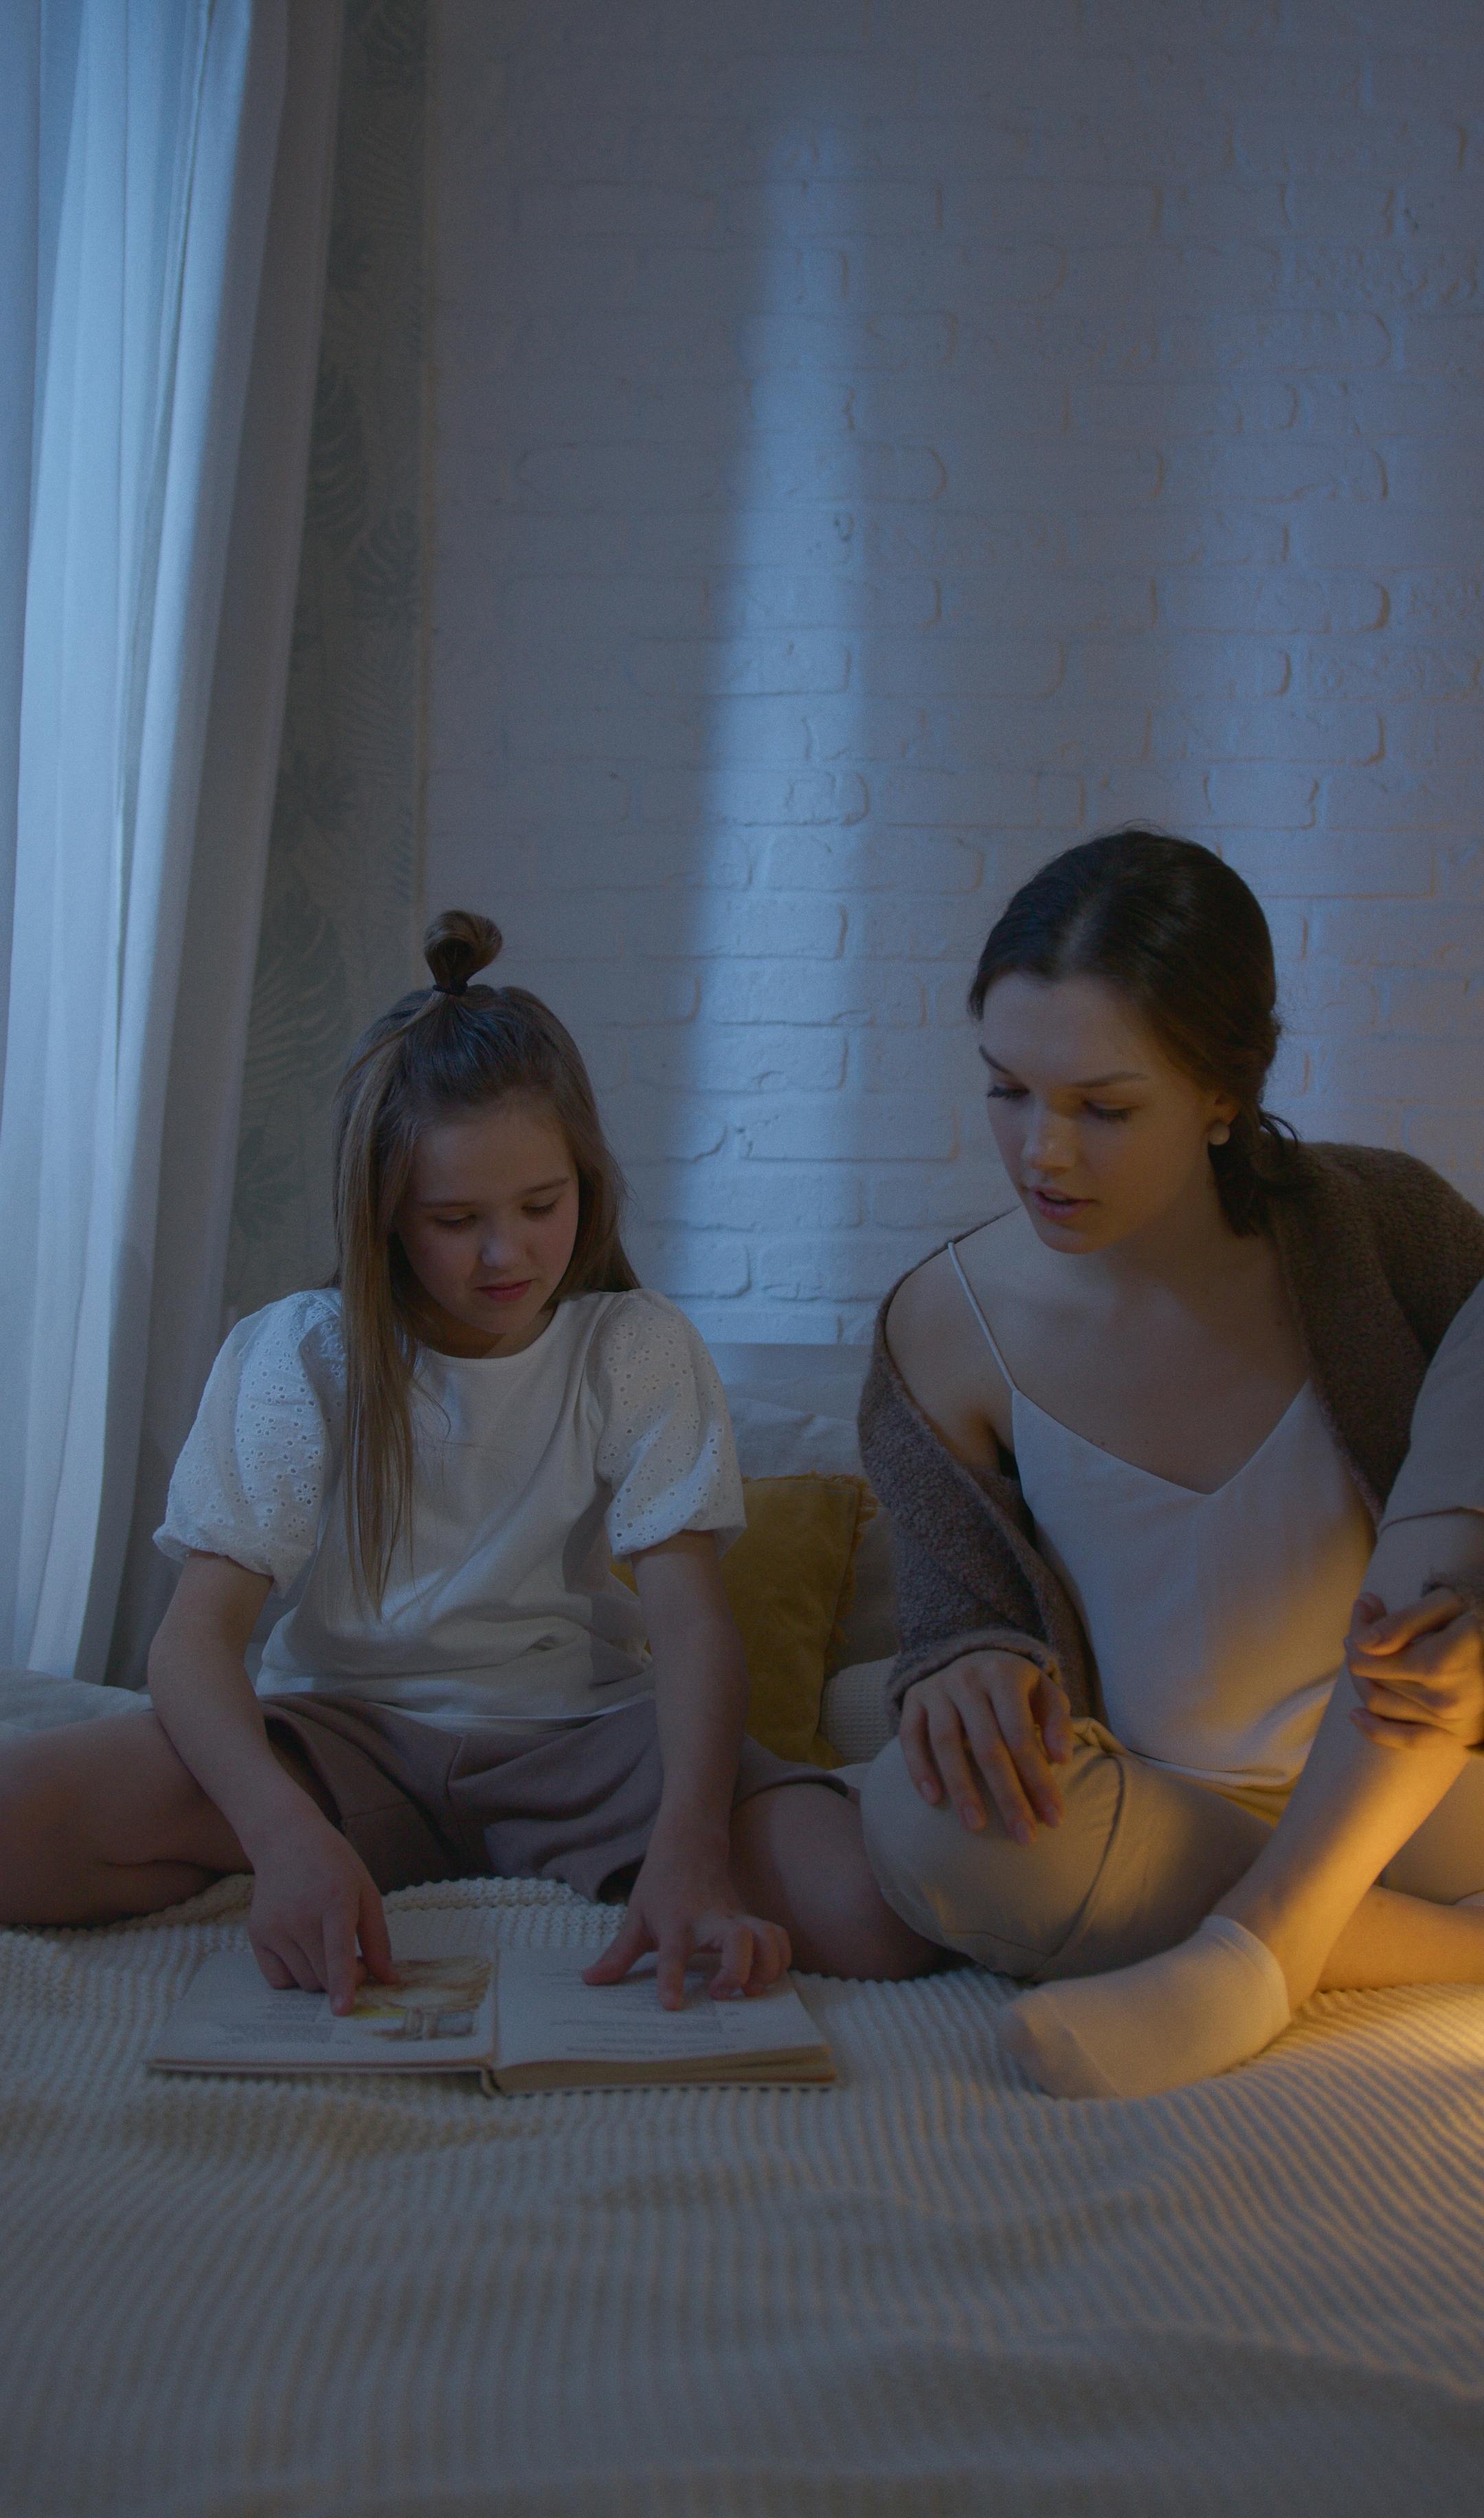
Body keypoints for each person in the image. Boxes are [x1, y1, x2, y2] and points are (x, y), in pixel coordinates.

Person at [0, 913, 934, 2009]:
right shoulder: (302, 1352)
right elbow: (193, 1642)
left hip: (587, 1744)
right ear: (386, 1214)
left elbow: (691, 1623)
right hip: (342, 1741)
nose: (508, 1255)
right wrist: (285, 1834)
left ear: (585, 1180)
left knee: (888, 1917)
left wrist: (694, 1847)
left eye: (542, 1207)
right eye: (455, 1220)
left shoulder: (633, 1346)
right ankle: (340, 1843)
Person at [857, 828, 1484, 2097]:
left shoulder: (1386, 1229)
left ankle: (1263, 1951)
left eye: (1103, 1107)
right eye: (1007, 1091)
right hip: (1150, 1816)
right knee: (932, 1827)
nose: (1043, 1152)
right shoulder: (942, 1325)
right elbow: (956, 1608)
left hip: (1417, 1801)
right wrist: (969, 1661)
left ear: (1222, 1095)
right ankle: (1385, 1944)